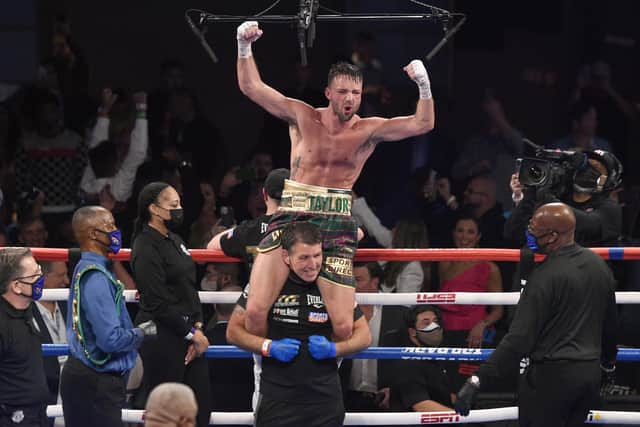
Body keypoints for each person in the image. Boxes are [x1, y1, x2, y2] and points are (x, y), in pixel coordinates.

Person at [236, 21, 435, 340]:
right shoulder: (302, 115)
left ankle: (328, 382)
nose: (350, 98)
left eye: (355, 92)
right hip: (291, 214)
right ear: (328, 93)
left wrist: (423, 85)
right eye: (343, 91)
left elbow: (423, 123)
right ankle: (264, 379)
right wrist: (243, 46)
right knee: (256, 311)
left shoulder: (369, 130)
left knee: (343, 325)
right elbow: (251, 87)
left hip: (336, 220)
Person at [455, 203, 618, 426]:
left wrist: (478, 379)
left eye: (534, 229)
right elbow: (610, 326)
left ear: (552, 237)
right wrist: (608, 365)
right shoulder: (598, 266)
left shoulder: (543, 277)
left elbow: (519, 340)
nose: (529, 233)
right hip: (587, 375)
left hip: (552, 379)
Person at [226, 222, 372, 427]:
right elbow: (233, 331)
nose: (312, 264)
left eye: (317, 255)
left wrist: (334, 349)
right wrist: (269, 347)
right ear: (286, 257)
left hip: (325, 398)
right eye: (304, 257)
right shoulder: (266, 284)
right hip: (277, 397)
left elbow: (364, 336)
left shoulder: (333, 285)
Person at [60, 206, 157, 427]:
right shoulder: (95, 276)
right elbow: (109, 339)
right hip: (95, 382)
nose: (115, 231)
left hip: (90, 380)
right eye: (109, 225)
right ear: (93, 234)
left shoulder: (88, 268)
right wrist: (142, 332)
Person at [130, 182, 212, 427]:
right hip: (162, 336)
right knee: (165, 414)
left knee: (200, 410)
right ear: (154, 209)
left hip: (188, 333)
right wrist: (190, 333)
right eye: (173, 205)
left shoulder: (175, 239)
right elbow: (156, 300)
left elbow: (189, 286)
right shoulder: (145, 245)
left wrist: (197, 326)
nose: (179, 210)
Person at [207, 168, 290, 275]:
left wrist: (235, 230)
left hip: (258, 289)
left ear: (264, 194)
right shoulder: (304, 230)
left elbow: (212, 245)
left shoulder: (248, 230)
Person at [0, 247, 49, 427]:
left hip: (38, 413)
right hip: (13, 418)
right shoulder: (2, 324)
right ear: (16, 286)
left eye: (40, 271)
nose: (41, 279)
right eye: (34, 275)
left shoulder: (27, 310)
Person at [390, 305, 454, 412]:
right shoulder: (408, 363)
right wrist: (461, 420)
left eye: (435, 321)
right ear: (412, 332)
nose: (434, 326)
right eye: (426, 323)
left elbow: (440, 393)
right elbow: (421, 405)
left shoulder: (434, 357)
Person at [32, 261, 70, 427]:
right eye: (61, 276)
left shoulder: (67, 301)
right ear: (43, 277)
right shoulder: (24, 311)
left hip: (75, 385)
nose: (67, 281)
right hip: (45, 389)